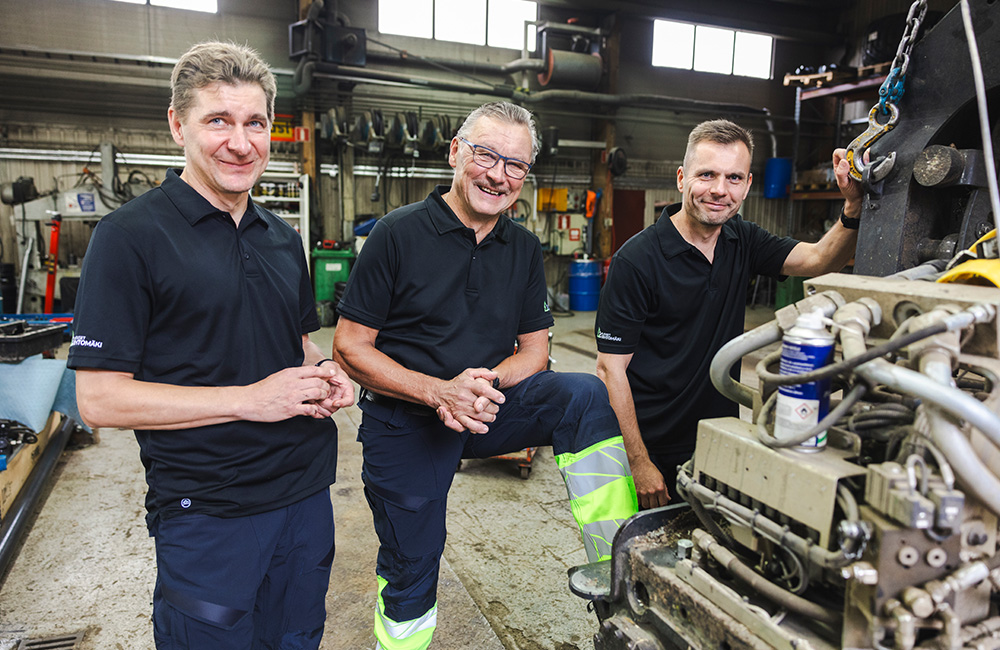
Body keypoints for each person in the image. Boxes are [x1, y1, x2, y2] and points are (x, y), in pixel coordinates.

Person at [67, 41, 354, 649]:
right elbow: (99, 400)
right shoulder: (129, 238)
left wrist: (324, 372)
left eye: (255, 123)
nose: (241, 142)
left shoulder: (281, 237)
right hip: (209, 512)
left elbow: (296, 345)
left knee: (297, 638)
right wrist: (251, 399)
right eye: (218, 121)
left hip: (304, 496)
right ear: (177, 125)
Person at [333, 101, 638, 650]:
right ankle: (401, 641)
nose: (498, 174)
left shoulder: (521, 247)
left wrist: (483, 387)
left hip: (486, 408)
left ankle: (619, 568)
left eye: (515, 165)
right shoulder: (396, 234)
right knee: (412, 564)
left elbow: (536, 351)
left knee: (584, 395)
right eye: (486, 155)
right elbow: (350, 347)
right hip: (406, 417)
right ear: (456, 153)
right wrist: (438, 391)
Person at [595, 119, 862, 510]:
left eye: (733, 178)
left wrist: (853, 205)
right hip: (649, 446)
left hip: (718, 437)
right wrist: (639, 462)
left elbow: (819, 258)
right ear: (682, 178)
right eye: (707, 175)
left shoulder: (743, 239)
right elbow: (609, 370)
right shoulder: (637, 261)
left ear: (748, 185)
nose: (720, 190)